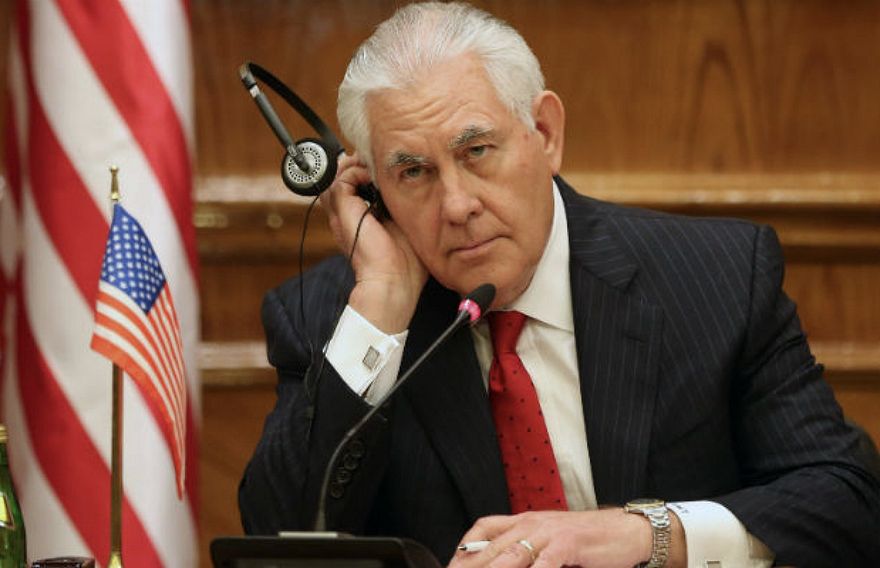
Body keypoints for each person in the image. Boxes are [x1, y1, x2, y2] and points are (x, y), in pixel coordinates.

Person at [239, 2, 880, 567]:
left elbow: (849, 500)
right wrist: (382, 301)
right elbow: (278, 545)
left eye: (476, 151)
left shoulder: (716, 277)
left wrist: (642, 534)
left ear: (545, 133)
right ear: (373, 188)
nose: (457, 205)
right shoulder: (337, 321)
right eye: (413, 173)